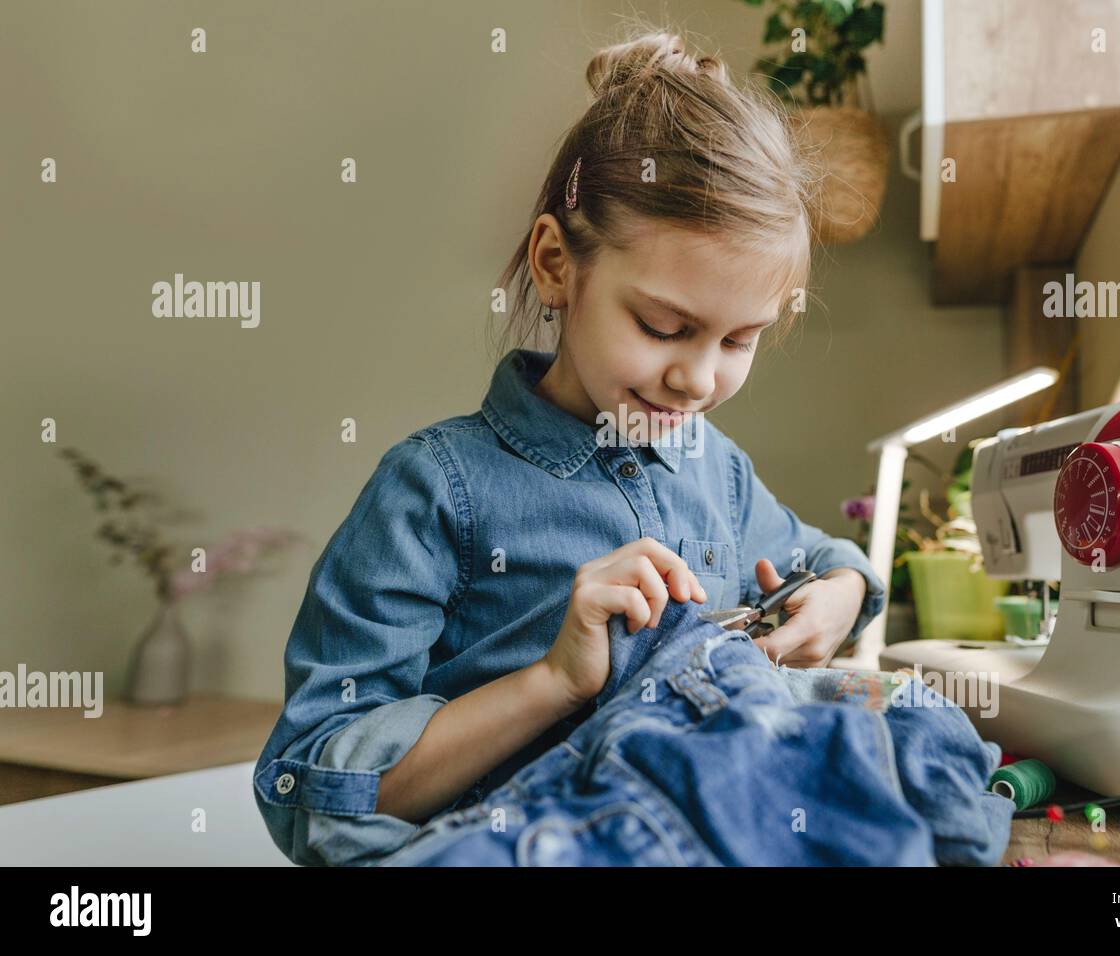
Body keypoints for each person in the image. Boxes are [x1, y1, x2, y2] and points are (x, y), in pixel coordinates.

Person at [253, 27, 886, 866]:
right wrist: (553, 682)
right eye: (665, 327)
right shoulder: (434, 491)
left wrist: (841, 592)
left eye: (740, 342)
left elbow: (823, 561)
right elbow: (308, 787)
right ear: (556, 265)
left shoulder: (718, 474)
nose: (697, 379)